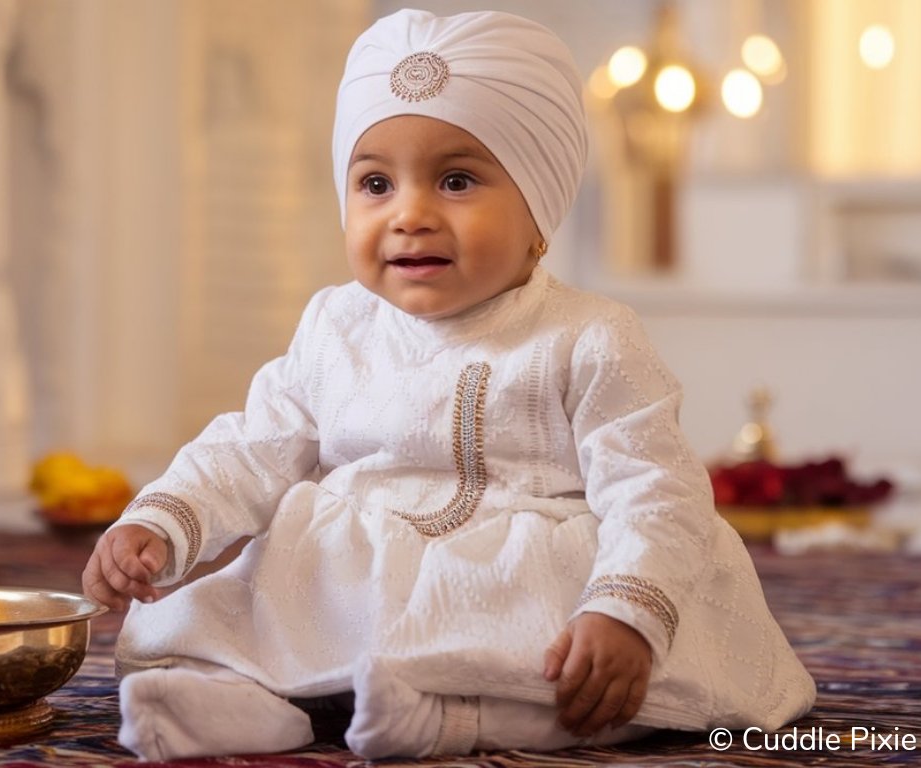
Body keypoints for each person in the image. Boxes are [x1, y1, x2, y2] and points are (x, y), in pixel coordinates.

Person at [83, 8, 815, 761]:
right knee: (235, 621)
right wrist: (163, 523)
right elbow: (251, 448)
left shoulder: (588, 336)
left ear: (540, 208)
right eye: (374, 183)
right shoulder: (336, 325)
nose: (410, 214)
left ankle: (452, 721)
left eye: (456, 179)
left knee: (593, 687)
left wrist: (625, 611)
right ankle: (245, 710)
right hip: (356, 580)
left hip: (524, 582)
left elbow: (655, 489)